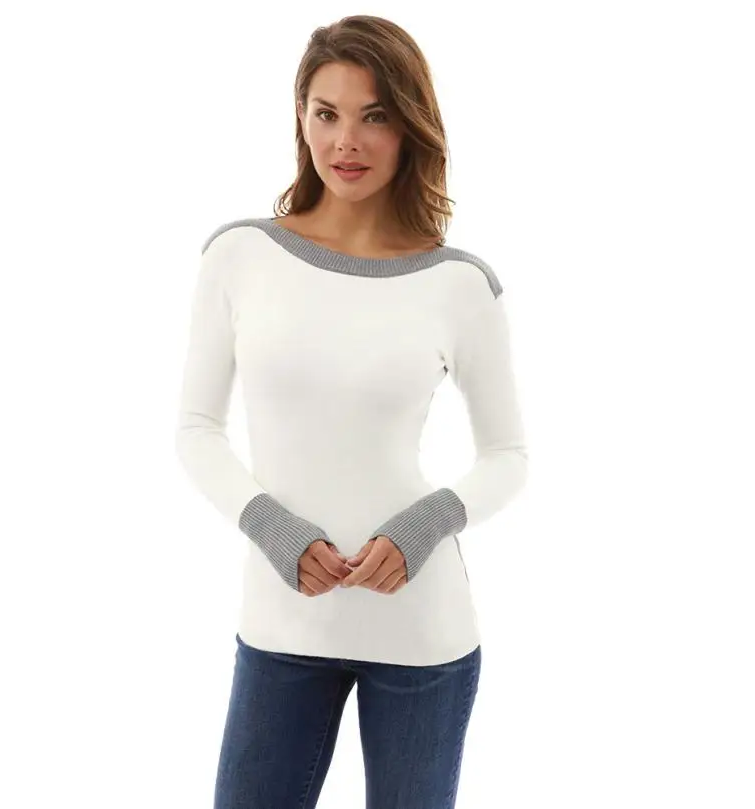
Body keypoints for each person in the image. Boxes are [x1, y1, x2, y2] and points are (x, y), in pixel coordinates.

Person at [174, 14, 528, 809]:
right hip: (282, 623)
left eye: (374, 116)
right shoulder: (239, 255)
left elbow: (507, 455)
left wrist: (422, 528)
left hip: (421, 630)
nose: (346, 141)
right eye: (325, 113)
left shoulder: (458, 283)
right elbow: (196, 430)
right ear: (299, 117)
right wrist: (271, 527)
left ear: (409, 126)